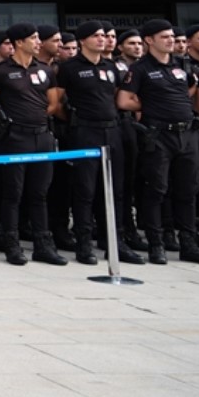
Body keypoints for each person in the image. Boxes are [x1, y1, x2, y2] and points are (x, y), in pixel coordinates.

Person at [0, 22, 67, 266]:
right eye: (34, 38)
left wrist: (36, 118)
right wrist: (6, 120)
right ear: (19, 42)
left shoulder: (45, 70)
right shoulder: (1, 71)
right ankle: (11, 243)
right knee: (13, 193)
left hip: (42, 136)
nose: (38, 42)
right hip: (15, 137)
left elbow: (53, 104)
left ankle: (42, 244)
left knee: (39, 193)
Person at [118, 18, 199, 265]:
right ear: (149, 40)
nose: (171, 40)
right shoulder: (140, 68)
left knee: (189, 189)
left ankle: (187, 242)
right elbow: (124, 101)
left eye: (171, 36)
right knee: (156, 190)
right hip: (159, 136)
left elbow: (188, 91)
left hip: (186, 134)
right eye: (164, 37)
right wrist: (153, 106)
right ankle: (156, 243)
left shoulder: (180, 65)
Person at [57, 20, 141, 266]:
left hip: (112, 130)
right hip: (85, 131)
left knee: (115, 189)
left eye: (104, 35)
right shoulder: (69, 68)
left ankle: (114, 240)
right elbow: (58, 102)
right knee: (85, 189)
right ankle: (83, 242)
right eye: (96, 36)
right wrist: (76, 122)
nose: (102, 39)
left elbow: (117, 97)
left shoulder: (111, 67)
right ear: (83, 40)